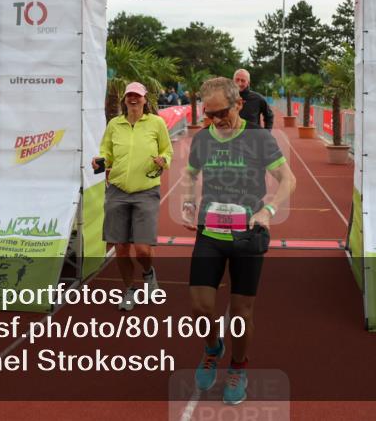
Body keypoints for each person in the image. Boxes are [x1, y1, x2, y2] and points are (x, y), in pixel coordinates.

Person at [181, 77, 296, 405]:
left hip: (248, 235)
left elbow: (289, 179)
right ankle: (212, 347)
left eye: (221, 113)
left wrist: (269, 211)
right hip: (210, 234)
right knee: (200, 307)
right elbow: (189, 174)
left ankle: (238, 367)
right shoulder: (204, 139)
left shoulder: (259, 138)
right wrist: (189, 203)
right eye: (210, 114)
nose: (216, 120)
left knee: (242, 312)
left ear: (239, 104)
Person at [92, 82, 172, 311]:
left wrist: (163, 160)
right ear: (124, 100)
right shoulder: (114, 124)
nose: (133, 99)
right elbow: (106, 151)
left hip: (146, 190)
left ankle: (148, 273)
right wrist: (101, 161)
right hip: (117, 190)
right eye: (129, 96)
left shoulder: (156, 123)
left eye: (137, 96)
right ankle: (129, 290)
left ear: (145, 100)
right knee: (121, 246)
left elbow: (167, 150)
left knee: (143, 249)